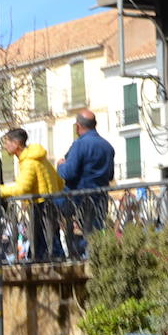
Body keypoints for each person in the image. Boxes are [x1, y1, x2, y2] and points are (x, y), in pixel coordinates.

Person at [55, 109, 115, 257]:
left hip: (78, 198)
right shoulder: (107, 147)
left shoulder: (79, 145)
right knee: (94, 231)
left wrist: (60, 165)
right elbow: (111, 175)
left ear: (78, 126)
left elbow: (68, 172)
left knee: (47, 206)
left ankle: (56, 251)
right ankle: (94, 256)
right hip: (100, 197)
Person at [0, 127, 63, 261]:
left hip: (41, 206)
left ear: (16, 144)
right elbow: (59, 181)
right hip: (50, 202)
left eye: (7, 142)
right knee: (50, 241)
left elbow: (22, 188)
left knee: (45, 245)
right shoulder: (39, 158)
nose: (4, 146)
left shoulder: (28, 162)